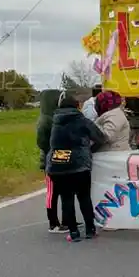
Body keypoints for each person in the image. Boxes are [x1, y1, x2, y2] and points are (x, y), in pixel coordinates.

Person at [47, 90, 107, 242]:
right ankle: (90, 229)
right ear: (78, 106)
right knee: (84, 197)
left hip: (58, 164)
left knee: (66, 199)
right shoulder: (82, 120)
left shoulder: (55, 121)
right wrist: (89, 150)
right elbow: (100, 138)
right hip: (79, 164)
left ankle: (73, 232)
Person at [37, 88, 65, 233]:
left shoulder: (55, 116)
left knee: (65, 189)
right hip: (50, 158)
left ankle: (66, 220)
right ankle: (53, 222)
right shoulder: (45, 120)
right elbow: (41, 142)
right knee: (52, 192)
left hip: (59, 155)